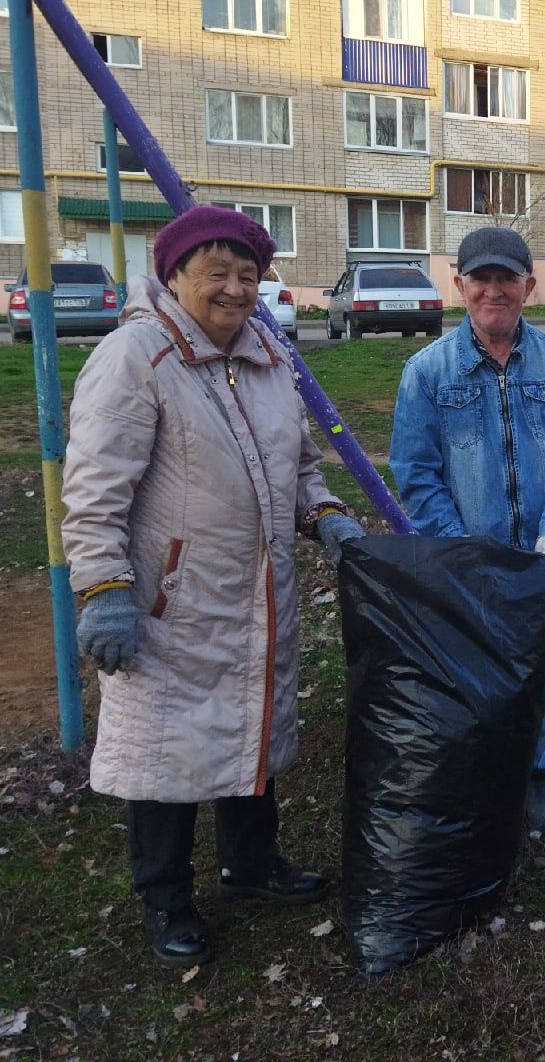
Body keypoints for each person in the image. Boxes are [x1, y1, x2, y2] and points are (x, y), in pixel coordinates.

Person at [62, 205, 366, 969]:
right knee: (162, 754)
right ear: (175, 277)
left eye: (248, 275)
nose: (234, 289)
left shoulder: (267, 352)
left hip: (257, 590)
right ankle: (166, 900)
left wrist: (324, 512)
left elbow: (296, 462)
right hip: (170, 602)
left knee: (248, 729)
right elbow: (95, 488)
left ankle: (251, 866)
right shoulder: (136, 357)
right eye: (215, 273)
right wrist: (104, 588)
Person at [389, 226, 545, 835]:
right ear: (459, 286)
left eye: (506, 278)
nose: (493, 290)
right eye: (480, 278)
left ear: (528, 287)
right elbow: (416, 472)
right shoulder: (426, 374)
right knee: (470, 670)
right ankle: (483, 777)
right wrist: (458, 547)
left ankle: (538, 777)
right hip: (467, 559)